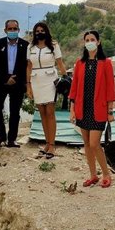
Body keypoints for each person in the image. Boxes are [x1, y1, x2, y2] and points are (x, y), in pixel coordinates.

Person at [68, 30, 115, 188]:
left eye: (92, 39)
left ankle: (106, 174)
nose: (89, 42)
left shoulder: (106, 63)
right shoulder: (80, 63)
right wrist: (72, 109)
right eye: (87, 39)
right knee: (87, 144)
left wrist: (110, 112)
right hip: (83, 109)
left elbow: (110, 89)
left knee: (95, 144)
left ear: (98, 42)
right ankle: (92, 175)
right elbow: (74, 89)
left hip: (99, 110)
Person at [26, 21, 67, 159]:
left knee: (50, 112)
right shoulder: (30, 47)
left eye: (41, 30)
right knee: (42, 113)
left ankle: (52, 145)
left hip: (50, 80)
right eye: (36, 31)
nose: (39, 33)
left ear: (46, 31)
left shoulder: (54, 45)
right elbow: (29, 66)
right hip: (36, 80)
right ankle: (47, 143)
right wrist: (28, 85)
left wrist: (66, 78)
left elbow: (60, 63)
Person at [0, 19, 29, 147]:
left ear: (19, 30)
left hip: (18, 84)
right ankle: (1, 135)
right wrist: (6, 78)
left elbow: (27, 65)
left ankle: (12, 139)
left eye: (15, 29)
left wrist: (17, 79)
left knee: (15, 112)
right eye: (10, 29)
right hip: (0, 82)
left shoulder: (26, 45)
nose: (13, 31)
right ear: (5, 30)